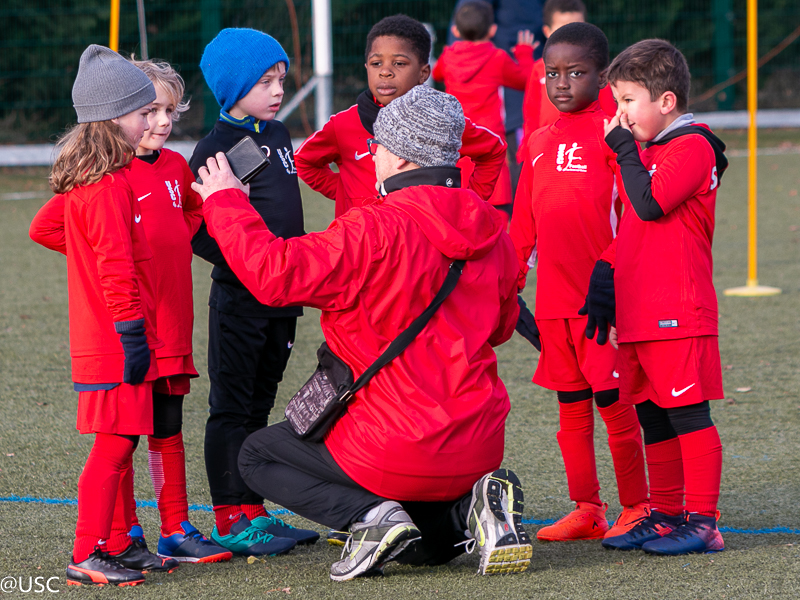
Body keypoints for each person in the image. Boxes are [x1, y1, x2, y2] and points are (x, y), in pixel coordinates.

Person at [193, 85, 531, 581]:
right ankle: (471, 508)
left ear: (394, 155)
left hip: (389, 443)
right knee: (423, 546)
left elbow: (275, 275)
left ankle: (369, 516)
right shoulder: (492, 232)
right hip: (477, 442)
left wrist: (225, 202)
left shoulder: (372, 228)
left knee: (256, 454)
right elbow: (500, 329)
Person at [29, 44, 178, 586]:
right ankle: (87, 553)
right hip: (116, 340)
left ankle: (115, 544)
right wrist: (132, 332)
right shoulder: (107, 183)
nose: (151, 120)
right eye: (144, 112)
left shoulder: (95, 177)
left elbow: (58, 234)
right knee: (114, 446)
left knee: (121, 443)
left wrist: (93, 264)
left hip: (110, 335)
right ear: (115, 117)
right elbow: (115, 266)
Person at [509, 22, 648, 543]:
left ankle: (637, 506)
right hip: (553, 305)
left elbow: (633, 216)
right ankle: (587, 508)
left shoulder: (615, 136)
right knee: (570, 408)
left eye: (575, 72)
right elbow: (523, 222)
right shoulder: (539, 141)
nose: (561, 83)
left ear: (604, 76)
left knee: (615, 406)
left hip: (600, 307)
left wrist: (609, 271)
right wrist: (510, 274)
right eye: (552, 73)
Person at [588, 39, 728, 555]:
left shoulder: (693, 145)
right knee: (652, 414)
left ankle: (704, 521)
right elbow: (632, 229)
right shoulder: (653, 150)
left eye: (627, 101)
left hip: (678, 309)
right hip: (641, 308)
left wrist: (624, 151)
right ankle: (667, 514)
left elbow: (648, 205)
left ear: (666, 102)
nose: (618, 114)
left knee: (688, 414)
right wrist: (607, 277)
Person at [190, 28, 319, 557]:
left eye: (280, 79)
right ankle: (228, 515)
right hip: (242, 301)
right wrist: (246, 265)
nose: (276, 90)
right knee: (232, 406)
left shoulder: (279, 133)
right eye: (264, 81)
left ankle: (253, 508)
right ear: (231, 86)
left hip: (283, 296)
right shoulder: (217, 147)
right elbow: (200, 231)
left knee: (262, 403)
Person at [122, 58, 233, 564]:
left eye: (170, 110)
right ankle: (122, 532)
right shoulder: (106, 175)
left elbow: (190, 215)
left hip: (173, 327)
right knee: (122, 437)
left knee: (168, 428)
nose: (164, 122)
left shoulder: (173, 168)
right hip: (130, 333)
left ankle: (175, 527)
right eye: (150, 111)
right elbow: (48, 227)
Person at [295, 14, 507, 219]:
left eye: (399, 63)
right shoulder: (342, 124)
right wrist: (346, 194)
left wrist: (468, 205)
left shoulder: (442, 122)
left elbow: (493, 151)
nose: (385, 71)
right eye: (376, 63)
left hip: (423, 249)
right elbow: (304, 161)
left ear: (423, 73)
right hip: (363, 250)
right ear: (367, 68)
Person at [433, 0, 535, 224]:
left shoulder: (449, 57)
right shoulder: (497, 58)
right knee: (495, 205)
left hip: (457, 137)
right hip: (489, 140)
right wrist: (525, 54)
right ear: (492, 30)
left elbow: (438, 74)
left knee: (458, 201)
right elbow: (526, 80)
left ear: (455, 30)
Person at [518, 0, 616, 162]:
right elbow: (531, 115)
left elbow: (610, 115)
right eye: (564, 30)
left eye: (578, 28)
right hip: (546, 150)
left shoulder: (594, 72)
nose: (573, 37)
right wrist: (526, 150)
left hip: (585, 152)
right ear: (547, 31)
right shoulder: (538, 69)